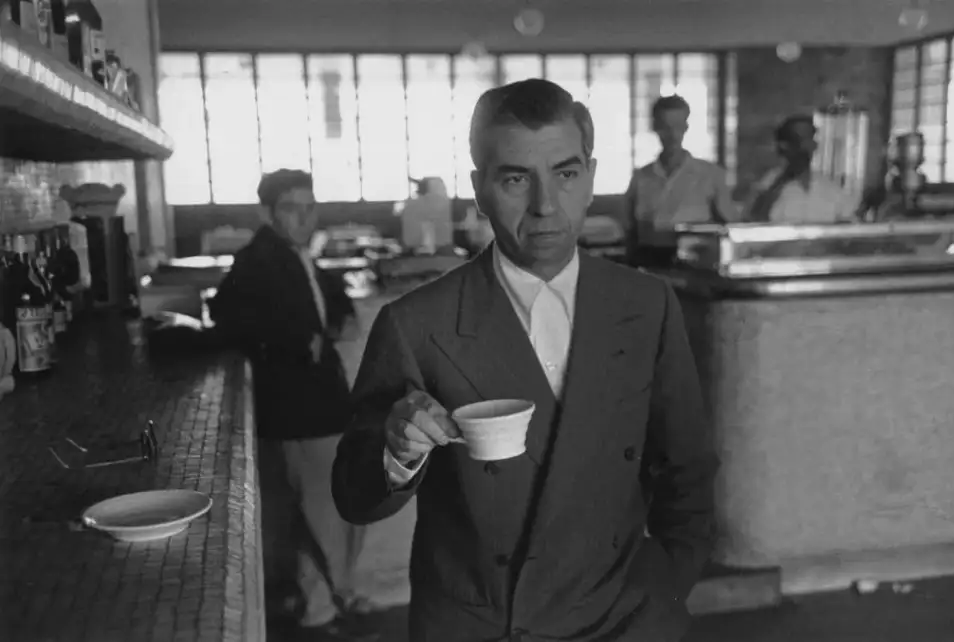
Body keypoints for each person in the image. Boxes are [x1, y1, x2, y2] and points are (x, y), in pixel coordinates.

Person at [333, 79, 719, 642]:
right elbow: (353, 496)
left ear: (589, 177)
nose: (544, 206)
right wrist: (397, 452)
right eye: (515, 179)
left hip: (624, 618)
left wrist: (667, 594)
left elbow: (688, 468)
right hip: (483, 624)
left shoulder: (646, 304)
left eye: (564, 174)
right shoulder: (418, 324)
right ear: (480, 189)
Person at [209, 169, 376, 641]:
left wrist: (333, 322)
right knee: (327, 515)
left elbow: (331, 301)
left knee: (321, 513)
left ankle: (323, 608)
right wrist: (297, 342)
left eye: (310, 207)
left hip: (320, 405)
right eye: (291, 209)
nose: (304, 217)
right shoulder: (259, 259)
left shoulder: (294, 254)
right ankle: (329, 611)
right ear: (268, 213)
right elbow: (227, 316)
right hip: (299, 411)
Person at [624, 94, 739, 265]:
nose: (672, 135)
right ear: (655, 127)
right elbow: (630, 230)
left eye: (677, 126)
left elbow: (730, 225)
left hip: (697, 262)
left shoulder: (710, 174)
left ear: (686, 126)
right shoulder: (641, 177)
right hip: (649, 261)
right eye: (665, 127)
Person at [745, 114, 861, 224]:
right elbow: (754, 225)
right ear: (784, 146)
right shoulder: (767, 185)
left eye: (810, 139)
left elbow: (850, 227)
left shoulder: (829, 188)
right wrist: (782, 181)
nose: (807, 147)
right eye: (800, 140)